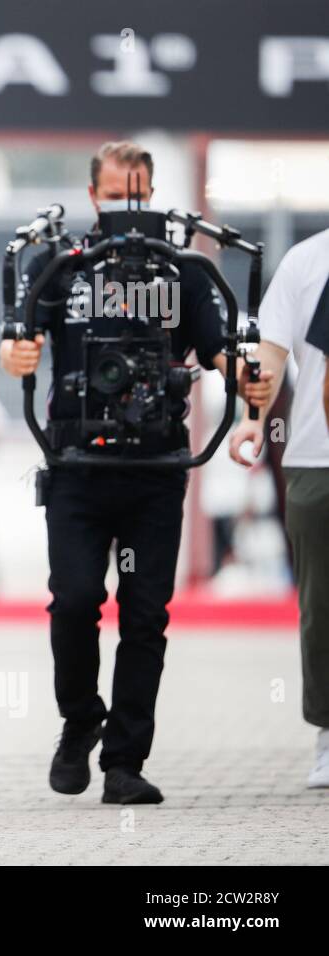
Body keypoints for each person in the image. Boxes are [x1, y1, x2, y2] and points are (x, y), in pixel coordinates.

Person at [0, 141, 258, 804]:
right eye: (117, 196)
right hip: (77, 468)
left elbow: (219, 351)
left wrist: (248, 381)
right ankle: (80, 717)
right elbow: (17, 345)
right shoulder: (61, 265)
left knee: (145, 616)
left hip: (156, 468)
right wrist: (17, 356)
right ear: (94, 197)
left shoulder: (186, 272)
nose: (129, 209)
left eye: (139, 195)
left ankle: (124, 761)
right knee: (77, 600)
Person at [228, 226, 329, 788]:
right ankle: (328, 733)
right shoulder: (306, 261)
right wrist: (251, 420)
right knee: (322, 610)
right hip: (319, 458)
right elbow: (269, 355)